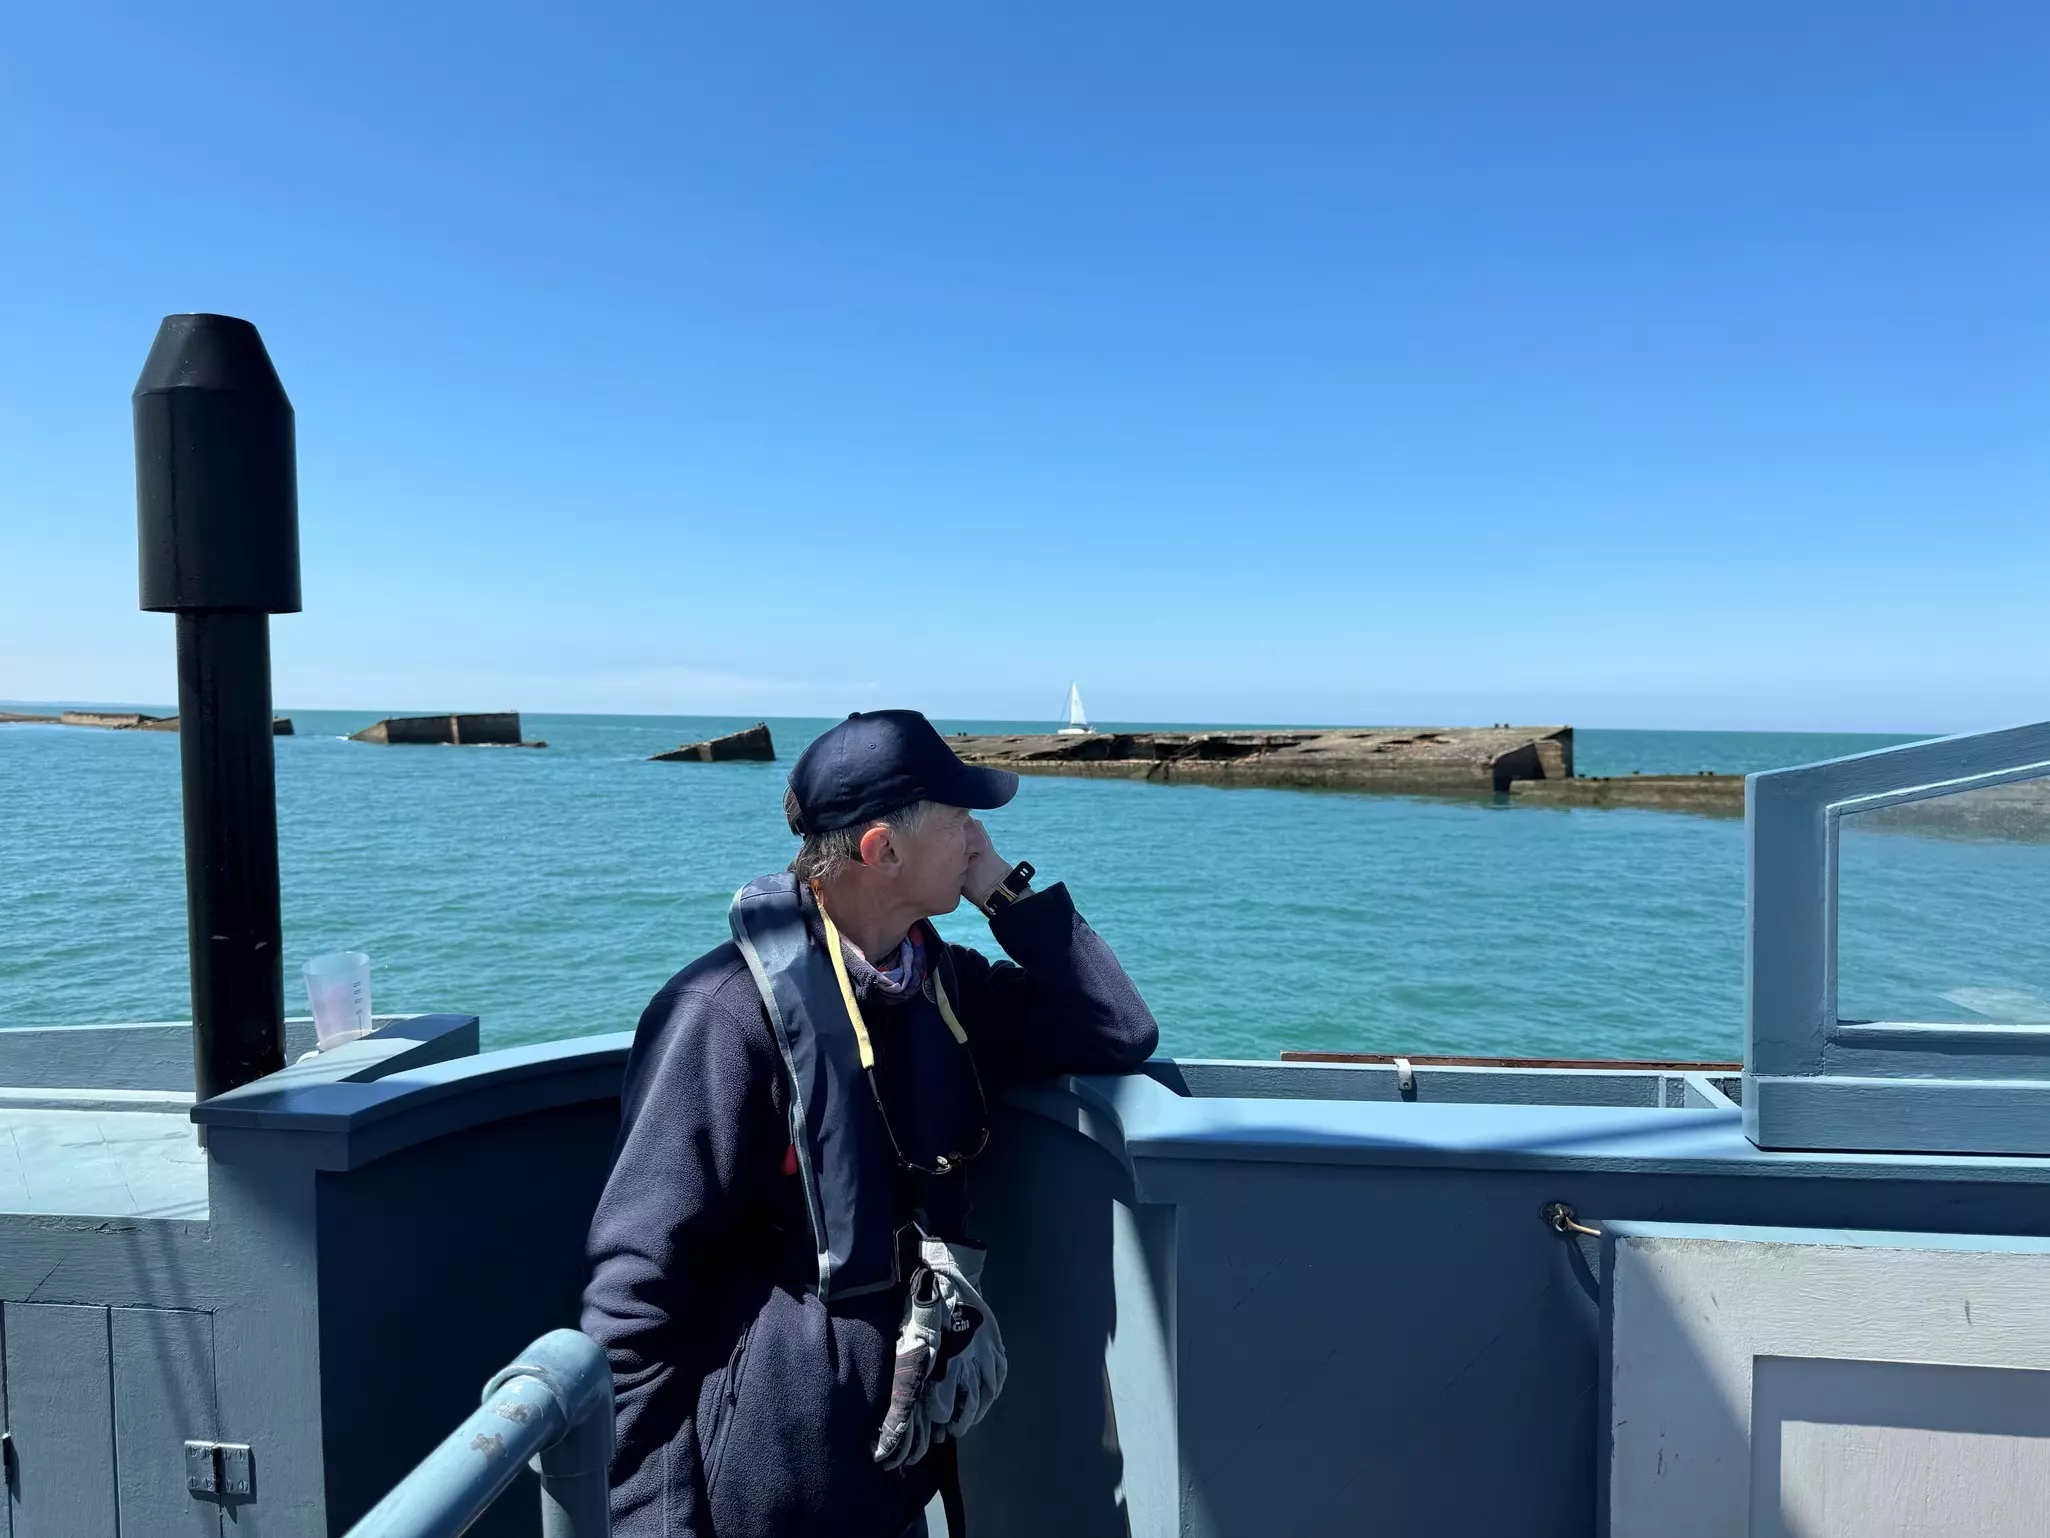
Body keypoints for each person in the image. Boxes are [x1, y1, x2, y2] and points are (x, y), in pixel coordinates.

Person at [581, 708, 1159, 1538]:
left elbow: (1118, 1026)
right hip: (770, 1479)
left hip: (898, 1456)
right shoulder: (721, 1016)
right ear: (882, 850)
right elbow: (634, 1296)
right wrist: (651, 1525)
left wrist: (1004, 889)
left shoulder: (940, 986)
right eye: (960, 818)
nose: (977, 834)